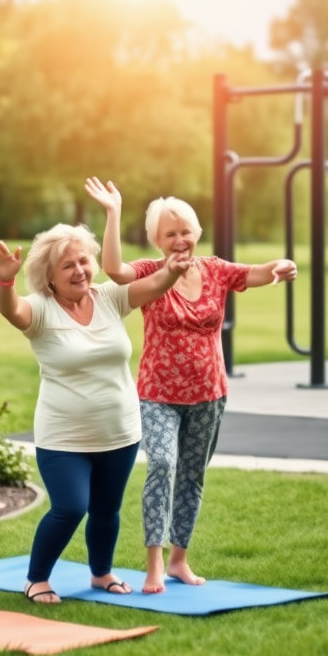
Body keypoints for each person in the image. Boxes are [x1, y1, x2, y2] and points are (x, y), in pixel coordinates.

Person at [85, 177, 297, 593]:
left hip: (209, 392)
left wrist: (280, 267)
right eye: (169, 234)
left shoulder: (215, 270)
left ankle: (180, 560)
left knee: (192, 475)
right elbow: (114, 269)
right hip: (158, 393)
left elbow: (254, 273)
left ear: (197, 233)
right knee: (161, 465)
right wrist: (113, 213)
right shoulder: (150, 271)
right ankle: (154, 566)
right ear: (156, 240)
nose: (179, 240)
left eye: (185, 232)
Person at [0, 224, 192, 604]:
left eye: (84, 260)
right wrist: (5, 283)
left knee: (106, 510)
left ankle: (102, 573)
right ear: (49, 276)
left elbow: (156, 285)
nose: (79, 270)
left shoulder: (110, 297)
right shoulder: (41, 309)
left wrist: (174, 269)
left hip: (119, 429)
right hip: (64, 435)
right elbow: (12, 311)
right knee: (70, 507)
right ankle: (36, 579)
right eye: (68, 266)